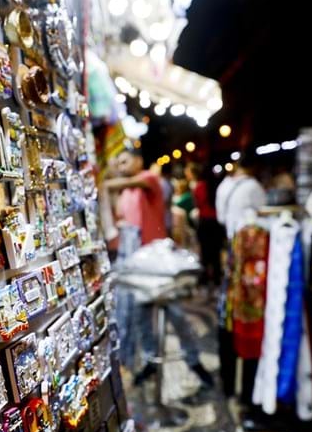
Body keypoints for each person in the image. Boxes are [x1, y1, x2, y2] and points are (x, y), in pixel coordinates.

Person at [105, 148, 214, 388]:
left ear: (138, 160)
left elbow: (118, 184)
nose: (122, 166)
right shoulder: (127, 191)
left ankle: (193, 360)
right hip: (139, 266)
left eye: (125, 161)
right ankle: (150, 361)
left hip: (158, 264)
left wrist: (104, 180)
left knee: (175, 314)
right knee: (141, 316)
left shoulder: (148, 179)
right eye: (119, 163)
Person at [186, 162, 222, 290]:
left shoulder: (199, 187)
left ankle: (205, 278)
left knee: (205, 252)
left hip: (205, 222)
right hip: (216, 223)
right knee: (216, 252)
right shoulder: (217, 186)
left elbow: (197, 204)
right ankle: (217, 277)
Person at [215, 153, 267, 239]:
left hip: (230, 233)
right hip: (249, 236)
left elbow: (221, 218)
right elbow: (262, 208)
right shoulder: (253, 185)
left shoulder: (223, 185)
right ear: (253, 168)